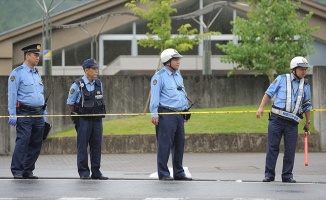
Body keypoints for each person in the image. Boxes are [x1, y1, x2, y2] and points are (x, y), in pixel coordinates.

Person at [256, 56, 312, 183]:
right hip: (276, 120)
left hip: (292, 123)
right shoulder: (282, 79)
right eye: (301, 69)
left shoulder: (306, 85)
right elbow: (268, 93)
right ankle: (269, 174)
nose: (304, 71)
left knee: (290, 150)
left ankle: (287, 175)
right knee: (272, 147)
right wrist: (261, 108)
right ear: (294, 69)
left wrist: (308, 122)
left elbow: (307, 105)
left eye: (305, 69)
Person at [149, 48, 192, 181]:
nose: (178, 62)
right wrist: (154, 114)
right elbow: (154, 97)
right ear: (167, 62)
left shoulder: (178, 75)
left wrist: (185, 110)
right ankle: (163, 173)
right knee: (165, 145)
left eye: (178, 59)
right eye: (175, 59)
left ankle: (179, 172)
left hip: (179, 115)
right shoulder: (159, 77)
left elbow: (181, 93)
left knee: (179, 144)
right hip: (166, 114)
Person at [8, 43, 47, 179]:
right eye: (35, 55)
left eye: (38, 55)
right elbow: (12, 94)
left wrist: (44, 113)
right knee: (23, 141)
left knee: (36, 142)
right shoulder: (17, 73)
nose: (38, 57)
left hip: (38, 113)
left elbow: (41, 94)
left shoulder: (37, 74)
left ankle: (28, 170)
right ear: (27, 55)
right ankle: (17, 169)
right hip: (24, 112)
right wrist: (12, 113)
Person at [66, 58, 108, 180]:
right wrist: (79, 114)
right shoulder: (77, 85)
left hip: (97, 120)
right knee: (82, 146)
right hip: (83, 120)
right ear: (86, 70)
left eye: (96, 68)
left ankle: (96, 171)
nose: (96, 70)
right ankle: (84, 172)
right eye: (93, 69)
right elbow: (70, 103)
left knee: (96, 146)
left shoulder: (99, 84)